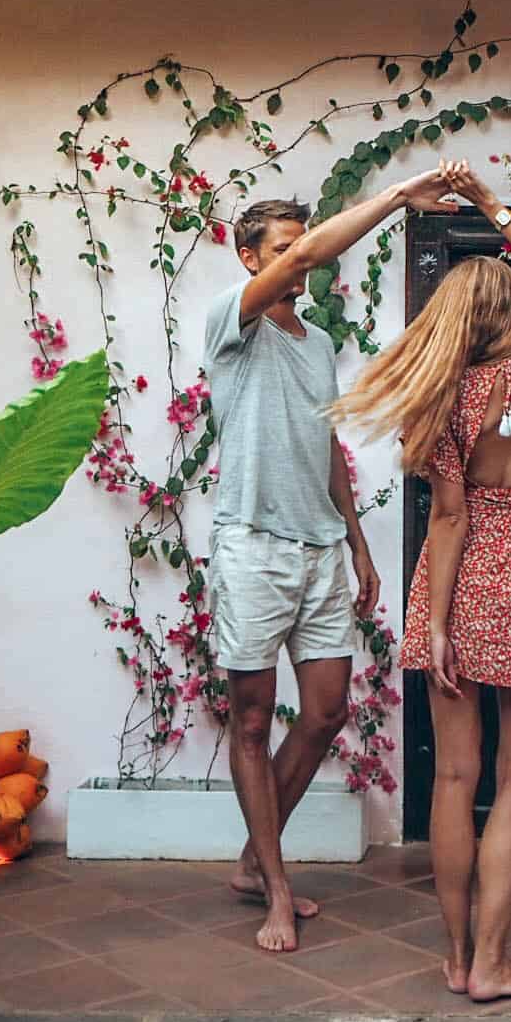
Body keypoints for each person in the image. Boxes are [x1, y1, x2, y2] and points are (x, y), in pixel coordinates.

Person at [332, 161, 511, 1002]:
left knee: (455, 778)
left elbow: (449, 519)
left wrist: (439, 622)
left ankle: (457, 959)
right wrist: (493, 205)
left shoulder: (442, 397)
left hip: (455, 591)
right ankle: (494, 961)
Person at [205, 169, 460, 954]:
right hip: (252, 547)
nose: (299, 264)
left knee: (324, 714)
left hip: (319, 551)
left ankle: (256, 860)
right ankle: (275, 889)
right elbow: (298, 261)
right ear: (250, 259)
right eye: (283, 251)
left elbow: (327, 451)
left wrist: (355, 540)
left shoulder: (316, 344)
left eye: (301, 251)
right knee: (251, 723)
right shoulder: (232, 323)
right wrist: (394, 200)